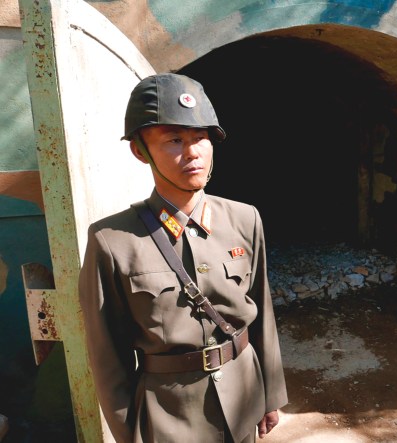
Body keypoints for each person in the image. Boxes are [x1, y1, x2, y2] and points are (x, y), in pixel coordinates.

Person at [79, 73, 287, 442]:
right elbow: (107, 355)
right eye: (174, 140)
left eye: (201, 138)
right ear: (141, 151)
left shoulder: (244, 218)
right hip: (168, 415)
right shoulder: (112, 240)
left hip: (243, 396)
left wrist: (270, 394)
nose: (192, 152)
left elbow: (262, 311)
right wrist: (129, 432)